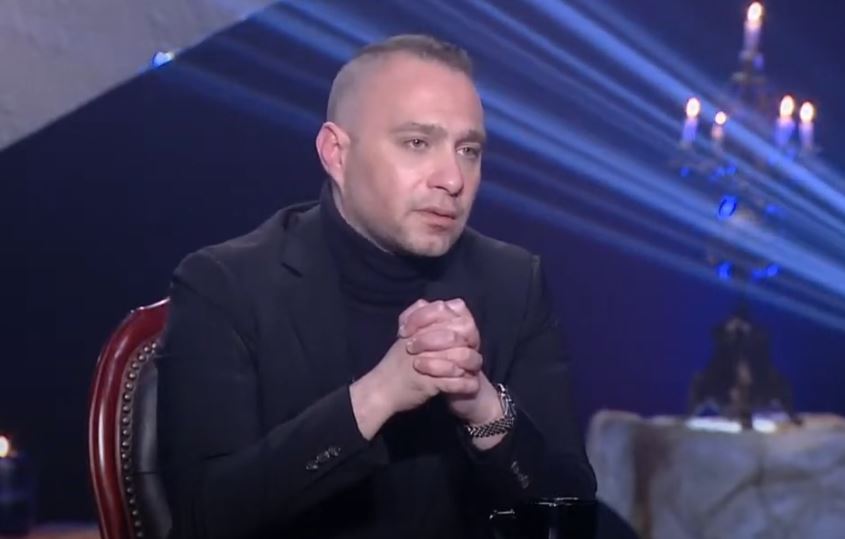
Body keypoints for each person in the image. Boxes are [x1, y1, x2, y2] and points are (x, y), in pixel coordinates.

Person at [157, 34, 596, 539]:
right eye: (417, 143)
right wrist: (378, 395)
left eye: (469, 150)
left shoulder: (513, 282)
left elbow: (572, 515)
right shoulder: (225, 284)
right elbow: (203, 517)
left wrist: (482, 405)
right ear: (336, 154)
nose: (452, 179)